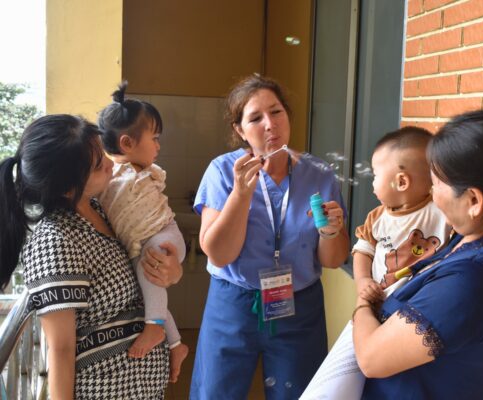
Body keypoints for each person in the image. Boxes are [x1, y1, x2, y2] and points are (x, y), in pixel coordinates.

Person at [352, 109, 483, 399]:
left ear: (474, 200)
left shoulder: (471, 281)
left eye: (435, 184)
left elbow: (372, 359)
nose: (432, 196)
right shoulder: (471, 236)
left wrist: (363, 305)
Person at [190, 74, 350, 399]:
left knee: (299, 392)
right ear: (239, 130)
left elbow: (332, 260)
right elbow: (219, 254)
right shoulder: (223, 172)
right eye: (255, 118)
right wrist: (241, 194)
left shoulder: (318, 174)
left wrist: (332, 231)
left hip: (299, 305)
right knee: (216, 393)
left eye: (276, 112)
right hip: (234, 302)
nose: (269, 124)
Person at [0, 114, 183, 399]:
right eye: (99, 165)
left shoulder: (103, 208)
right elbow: (60, 350)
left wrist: (171, 270)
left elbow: (146, 262)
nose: (111, 164)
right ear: (66, 188)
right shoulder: (56, 240)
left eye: (104, 153)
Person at [97, 82, 189, 383]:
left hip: (164, 235)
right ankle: (175, 344)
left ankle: (154, 326)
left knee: (149, 278)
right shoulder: (111, 177)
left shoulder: (135, 173)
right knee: (149, 286)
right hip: (151, 242)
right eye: (155, 138)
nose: (159, 146)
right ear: (126, 143)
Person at [352, 126, 451, 304]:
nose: (372, 182)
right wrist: (363, 281)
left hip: (420, 304)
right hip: (378, 302)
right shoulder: (376, 217)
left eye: (375, 175)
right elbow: (362, 251)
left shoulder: (442, 211)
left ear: (401, 182)